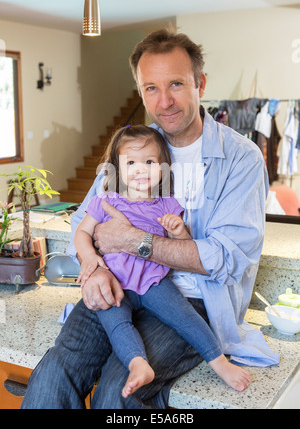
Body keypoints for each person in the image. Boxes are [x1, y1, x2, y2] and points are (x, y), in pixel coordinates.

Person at [21, 28, 279, 410]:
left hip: (191, 300)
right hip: (119, 283)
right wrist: (93, 268)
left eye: (176, 83)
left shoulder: (242, 159)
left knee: (116, 389)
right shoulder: (134, 149)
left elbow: (226, 259)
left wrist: (132, 241)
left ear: (200, 83)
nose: (165, 101)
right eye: (151, 88)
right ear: (141, 92)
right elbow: (83, 222)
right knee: (55, 370)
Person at [74, 125, 251, 398]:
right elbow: (82, 232)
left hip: (155, 282)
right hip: (116, 283)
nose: (140, 169)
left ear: (163, 167)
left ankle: (219, 362)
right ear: (117, 168)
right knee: (116, 322)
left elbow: (184, 250)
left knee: (184, 316)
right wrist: (89, 258)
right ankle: (138, 364)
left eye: (149, 162)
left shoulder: (167, 203)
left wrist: (179, 230)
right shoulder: (106, 200)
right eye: (131, 162)